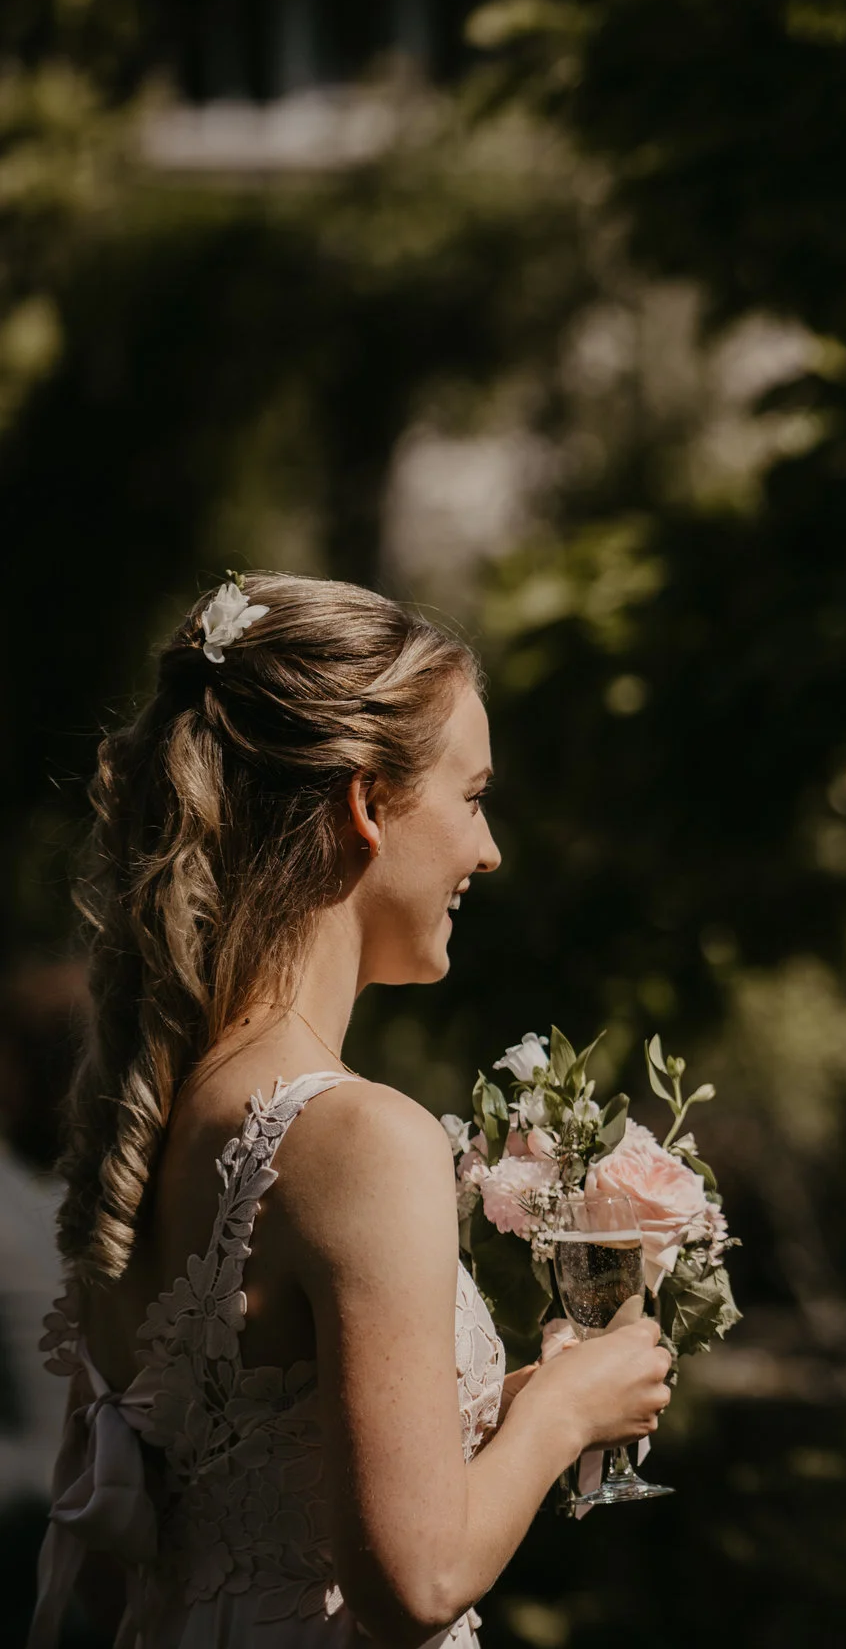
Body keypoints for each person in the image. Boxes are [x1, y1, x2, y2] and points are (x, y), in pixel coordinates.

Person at [34, 575, 674, 1649]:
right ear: (369, 804)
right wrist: (567, 1410)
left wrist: (506, 1408)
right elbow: (413, 1583)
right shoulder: (359, 1137)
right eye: (472, 797)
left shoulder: (146, 1122)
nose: (489, 850)